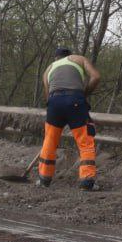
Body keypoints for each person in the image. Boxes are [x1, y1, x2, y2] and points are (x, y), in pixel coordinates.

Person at [38, 46, 101, 190]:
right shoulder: (79, 59)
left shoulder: (48, 69)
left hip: (54, 103)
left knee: (49, 141)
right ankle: (87, 181)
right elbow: (96, 77)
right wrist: (84, 94)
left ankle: (44, 179)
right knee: (85, 141)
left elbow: (48, 98)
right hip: (75, 101)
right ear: (70, 55)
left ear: (56, 58)